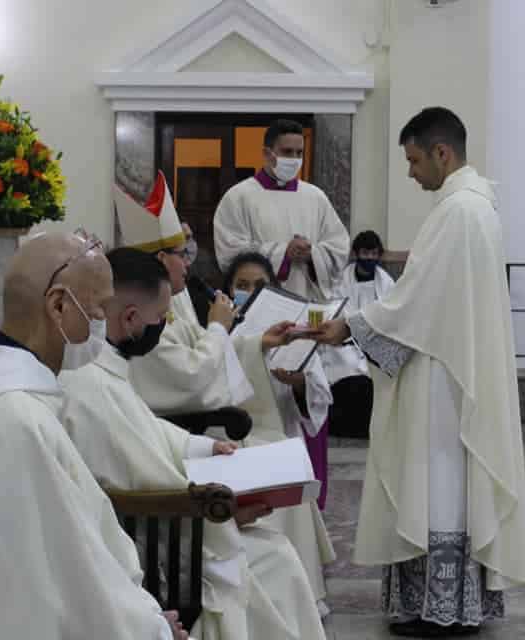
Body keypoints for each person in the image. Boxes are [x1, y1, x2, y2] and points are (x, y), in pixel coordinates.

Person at [312, 107, 525, 636]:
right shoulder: (475, 207)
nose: (411, 173)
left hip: (443, 379)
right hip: (451, 364)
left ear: (442, 153)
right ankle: (444, 606)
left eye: (414, 160)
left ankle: (444, 613)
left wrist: (351, 328)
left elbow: (416, 300)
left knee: (439, 485)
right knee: (445, 485)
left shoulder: (459, 212)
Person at [0, 231, 188, 640]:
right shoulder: (14, 420)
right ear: (59, 305)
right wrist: (150, 629)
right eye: (98, 309)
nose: (103, 324)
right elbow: (70, 574)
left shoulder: (2, 391)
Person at [59, 247, 328, 640]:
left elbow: (148, 430)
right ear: (130, 318)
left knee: (278, 554)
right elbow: (144, 475)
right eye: (161, 317)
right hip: (157, 550)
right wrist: (221, 509)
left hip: (162, 525)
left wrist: (202, 448)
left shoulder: (104, 372)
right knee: (277, 562)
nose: (164, 323)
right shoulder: (89, 385)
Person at [113, 172, 336, 610]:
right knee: (274, 453)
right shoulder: (148, 312)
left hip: (190, 433)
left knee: (283, 451)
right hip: (184, 442)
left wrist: (257, 342)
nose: (189, 262)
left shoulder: (173, 298)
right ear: (161, 258)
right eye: (182, 253)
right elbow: (193, 374)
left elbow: (201, 358)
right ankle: (279, 597)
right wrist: (220, 325)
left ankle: (300, 593)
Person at [223, 251, 333, 510]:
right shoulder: (218, 331)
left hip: (283, 442)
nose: (251, 292)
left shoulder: (291, 333)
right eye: (242, 285)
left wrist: (299, 384)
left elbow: (319, 396)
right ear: (228, 289)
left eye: (260, 286)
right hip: (233, 447)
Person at [213, 119, 350, 302]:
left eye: (299, 152)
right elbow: (230, 254)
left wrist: (312, 254)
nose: (294, 159)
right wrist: (283, 254)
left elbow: (339, 246)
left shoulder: (316, 197)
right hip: (258, 302)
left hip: (307, 301)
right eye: (287, 152)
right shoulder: (238, 197)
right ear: (266, 154)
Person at [322, 230, 396, 439]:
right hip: (344, 343)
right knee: (344, 368)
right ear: (356, 253)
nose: (370, 258)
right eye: (365, 253)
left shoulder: (387, 282)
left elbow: (390, 315)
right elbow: (333, 309)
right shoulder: (341, 281)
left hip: (375, 343)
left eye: (374, 254)